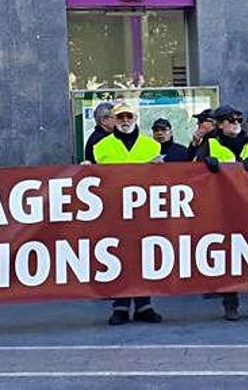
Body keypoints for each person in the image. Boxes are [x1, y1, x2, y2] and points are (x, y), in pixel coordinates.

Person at [194, 104, 248, 321]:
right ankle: (230, 304)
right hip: (223, 208)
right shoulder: (209, 144)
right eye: (230, 120)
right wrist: (204, 164)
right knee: (228, 258)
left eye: (238, 120)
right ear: (219, 124)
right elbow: (192, 173)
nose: (236, 124)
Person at [93, 102, 164, 326]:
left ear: (136, 119)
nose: (125, 121)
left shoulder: (151, 145)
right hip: (114, 210)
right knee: (118, 257)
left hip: (145, 211)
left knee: (144, 256)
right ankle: (120, 306)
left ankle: (145, 304)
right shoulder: (100, 147)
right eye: (120, 117)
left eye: (129, 116)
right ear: (113, 120)